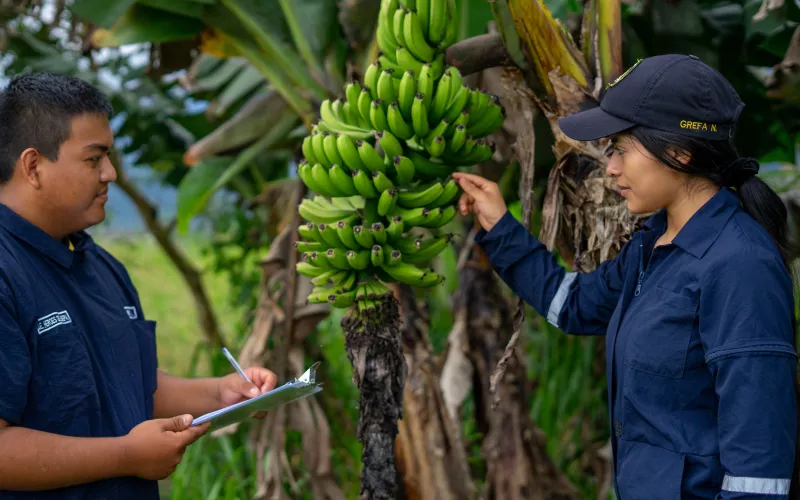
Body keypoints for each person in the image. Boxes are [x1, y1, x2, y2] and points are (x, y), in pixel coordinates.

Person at [454, 54, 799, 499]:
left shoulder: (740, 265)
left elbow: (759, 469)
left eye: (620, 148)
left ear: (678, 151)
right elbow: (575, 305)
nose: (611, 167)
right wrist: (500, 228)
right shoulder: (652, 243)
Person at [0, 72, 278, 499]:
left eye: (108, 157)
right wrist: (125, 456)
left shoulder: (100, 267)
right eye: (94, 159)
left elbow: (130, 386)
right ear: (33, 166)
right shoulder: (7, 274)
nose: (110, 173)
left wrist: (221, 393)